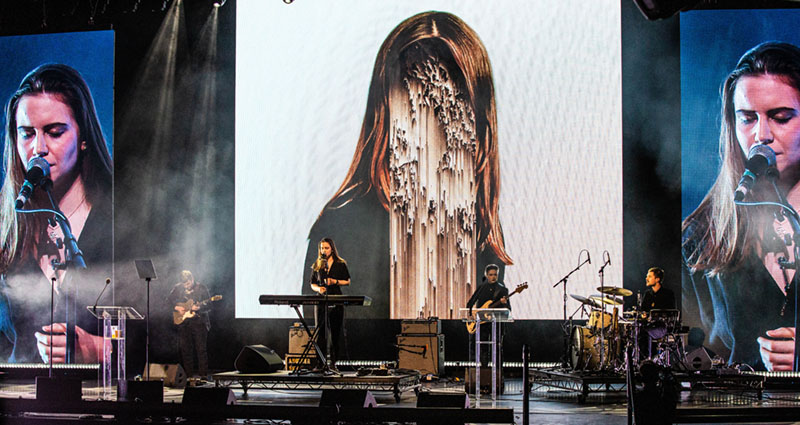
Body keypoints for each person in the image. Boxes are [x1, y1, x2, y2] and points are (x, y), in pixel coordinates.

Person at [303, 11, 512, 320]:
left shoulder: (481, 226)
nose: (431, 119)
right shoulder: (343, 222)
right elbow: (321, 332)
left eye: (447, 100)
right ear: (387, 107)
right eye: (414, 96)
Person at [682, 41, 800, 370]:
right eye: (747, 119)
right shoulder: (700, 236)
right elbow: (696, 353)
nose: (761, 135)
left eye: (780, 118)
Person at [0, 64, 113, 363]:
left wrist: (98, 349)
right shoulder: (6, 224)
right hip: (21, 390)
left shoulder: (118, 219)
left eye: (54, 132)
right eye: (27, 134)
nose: (38, 148)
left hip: (103, 390)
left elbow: (161, 335)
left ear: (83, 137)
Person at [465, 264, 509, 392]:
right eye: (490, 275)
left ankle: (498, 374)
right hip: (483, 323)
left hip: (497, 322)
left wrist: (504, 304)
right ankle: (484, 372)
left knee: (498, 347)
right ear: (486, 275)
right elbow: (470, 302)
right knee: (483, 347)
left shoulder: (503, 290)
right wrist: (470, 314)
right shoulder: (481, 288)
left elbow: (508, 309)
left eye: (495, 275)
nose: (493, 277)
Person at [309, 238, 350, 371]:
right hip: (321, 300)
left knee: (335, 332)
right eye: (322, 248)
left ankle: (333, 363)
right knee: (320, 332)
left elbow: (347, 281)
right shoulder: (317, 264)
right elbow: (312, 283)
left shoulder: (340, 263)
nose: (324, 250)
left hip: (335, 298)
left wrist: (334, 281)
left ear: (332, 249)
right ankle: (320, 363)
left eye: (326, 248)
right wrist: (318, 289)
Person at [167, 270, 212, 379]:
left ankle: (203, 376)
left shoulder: (201, 288)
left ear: (192, 279)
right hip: (184, 323)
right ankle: (188, 377)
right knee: (186, 350)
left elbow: (209, 305)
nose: (186, 286)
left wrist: (199, 308)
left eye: (188, 283)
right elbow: (168, 301)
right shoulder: (178, 288)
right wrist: (177, 307)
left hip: (199, 322)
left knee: (201, 350)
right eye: (184, 284)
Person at [639, 267, 676, 359]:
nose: (646, 278)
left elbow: (671, 312)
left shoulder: (668, 294)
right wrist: (643, 315)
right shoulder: (647, 294)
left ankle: (649, 359)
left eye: (649, 276)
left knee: (645, 334)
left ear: (657, 279)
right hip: (648, 325)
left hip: (661, 326)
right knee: (638, 332)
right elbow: (643, 310)